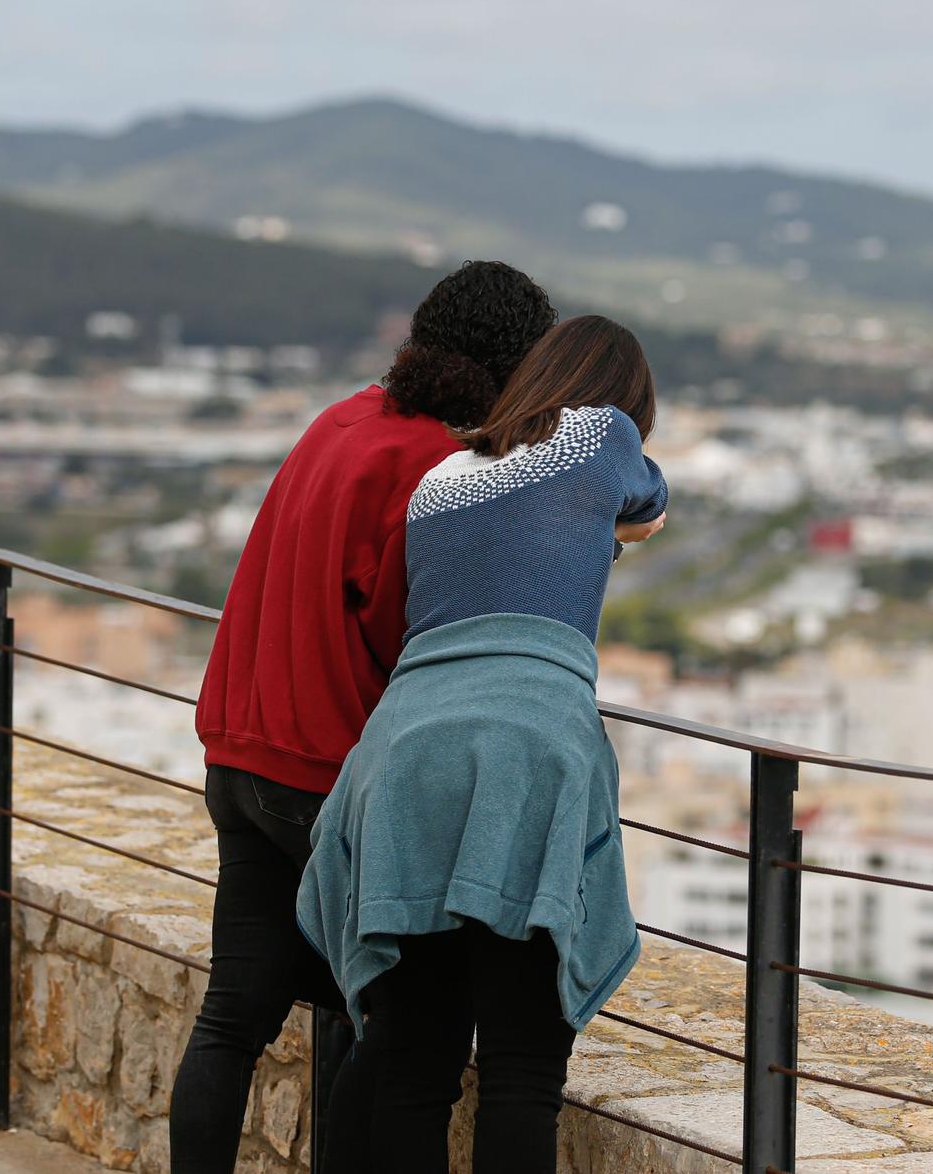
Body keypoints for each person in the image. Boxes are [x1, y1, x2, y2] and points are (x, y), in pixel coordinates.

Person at [169, 261, 557, 1173]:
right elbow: (408, 631)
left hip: (241, 750)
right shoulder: (435, 466)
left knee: (232, 1018)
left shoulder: (343, 417)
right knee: (395, 1013)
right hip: (324, 769)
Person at [297, 315, 669, 1174]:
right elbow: (649, 506)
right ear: (626, 398)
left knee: (414, 1061)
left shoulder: (440, 476)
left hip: (404, 754)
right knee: (522, 1067)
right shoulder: (601, 434)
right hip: (523, 750)